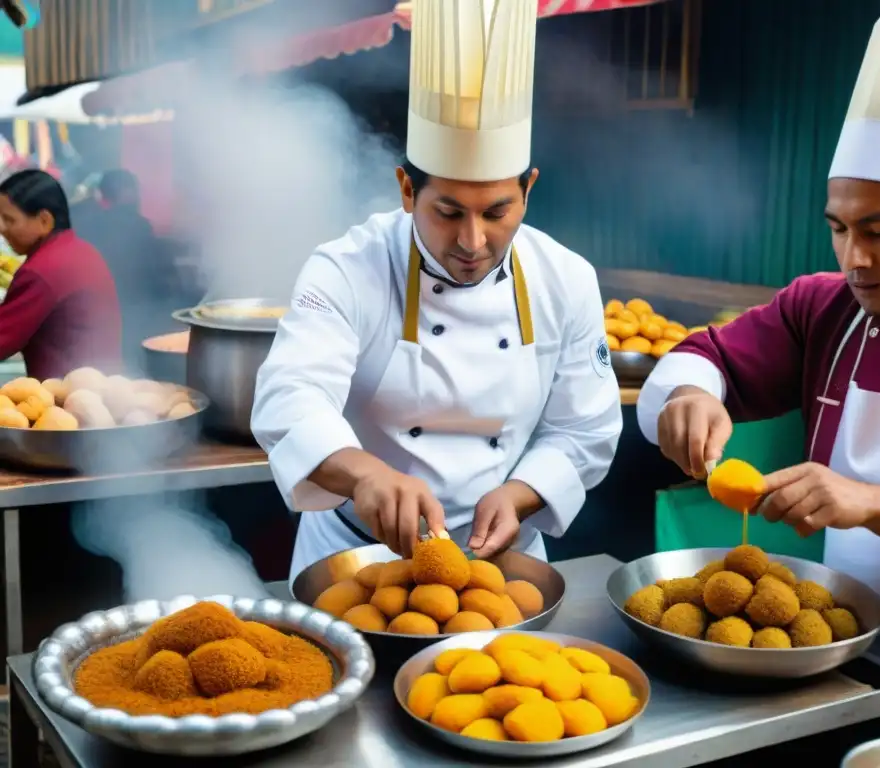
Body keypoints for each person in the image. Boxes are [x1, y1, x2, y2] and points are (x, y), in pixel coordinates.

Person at [637, 4, 880, 731]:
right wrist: (690, 393)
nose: (854, 259)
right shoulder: (822, 308)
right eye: (839, 229)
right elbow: (708, 354)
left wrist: (868, 501)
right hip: (841, 658)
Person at [252, 0, 622, 586]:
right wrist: (365, 475)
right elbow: (290, 398)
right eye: (448, 212)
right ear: (406, 189)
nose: (473, 241)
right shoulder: (346, 268)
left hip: (502, 566)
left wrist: (523, 494)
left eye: (498, 211)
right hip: (356, 561)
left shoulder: (566, 279)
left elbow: (585, 431)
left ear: (529, 189)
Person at [0, 169, 121, 380]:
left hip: (65, 400)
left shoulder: (42, 270)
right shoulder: (81, 250)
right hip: (104, 386)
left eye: (9, 220)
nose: (2, 228)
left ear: (44, 221)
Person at [75, 170, 168, 372]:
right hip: (134, 312)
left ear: (102, 195)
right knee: (132, 367)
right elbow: (156, 276)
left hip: (96, 315)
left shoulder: (85, 224)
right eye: (134, 190)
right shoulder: (141, 226)